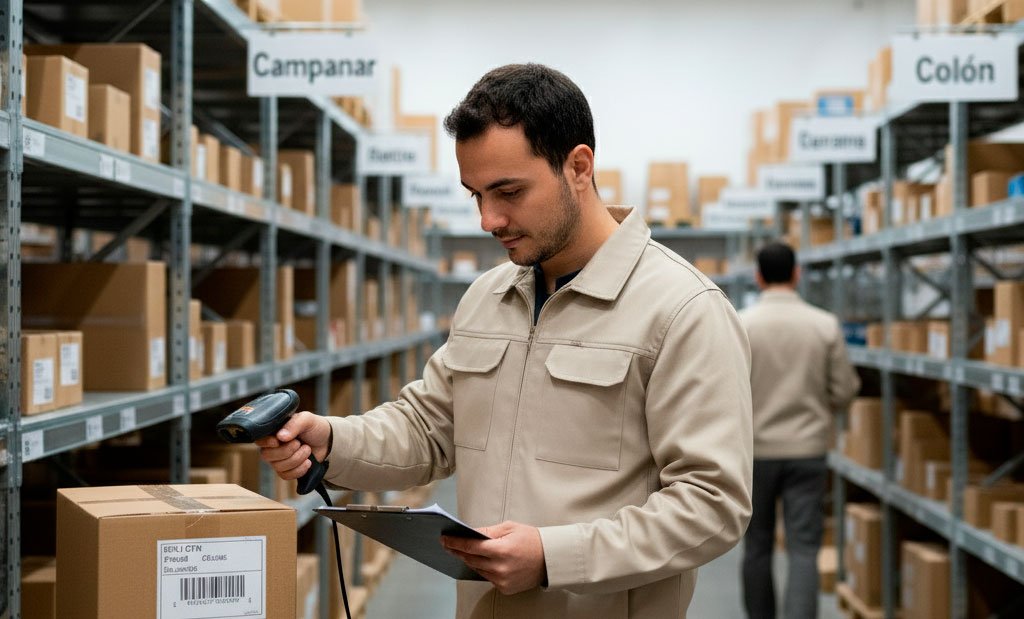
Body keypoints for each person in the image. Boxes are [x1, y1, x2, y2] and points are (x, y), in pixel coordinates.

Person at [257, 63, 753, 618]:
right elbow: (428, 431)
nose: (489, 219)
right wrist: (330, 440)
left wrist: (552, 556)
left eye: (508, 191)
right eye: (475, 195)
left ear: (579, 167)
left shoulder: (682, 309)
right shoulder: (487, 298)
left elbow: (713, 505)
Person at [739, 242, 860, 619]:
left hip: (754, 454)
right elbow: (844, 389)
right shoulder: (824, 325)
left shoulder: (739, 324)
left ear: (758, 277)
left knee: (756, 546)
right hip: (807, 451)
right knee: (804, 548)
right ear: (797, 274)